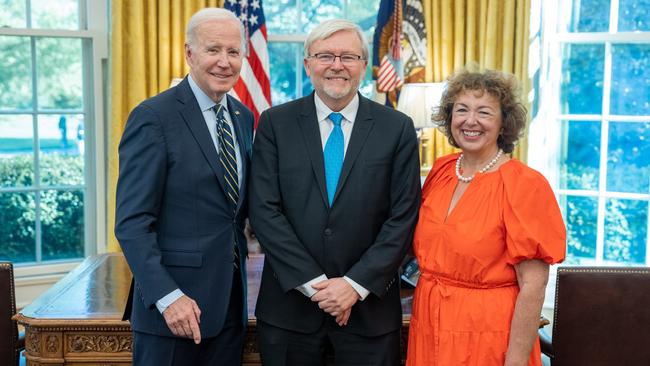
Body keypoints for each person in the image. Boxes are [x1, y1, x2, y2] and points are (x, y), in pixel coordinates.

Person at [249, 19, 421, 366]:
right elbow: (264, 211)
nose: (337, 65)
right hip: (289, 316)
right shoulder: (274, 123)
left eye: (349, 56)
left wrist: (353, 286)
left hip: (369, 316)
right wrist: (317, 287)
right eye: (326, 55)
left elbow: (403, 217)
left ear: (363, 66)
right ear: (307, 64)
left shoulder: (396, 128)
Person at [114, 8, 253, 366]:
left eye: (233, 52)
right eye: (213, 50)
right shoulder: (153, 117)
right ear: (190, 53)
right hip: (172, 313)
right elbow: (131, 222)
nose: (225, 62)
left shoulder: (242, 116)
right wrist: (167, 296)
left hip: (229, 309)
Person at [405, 69, 566, 366]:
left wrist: (515, 360)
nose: (470, 121)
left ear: (504, 122)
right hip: (429, 327)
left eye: (484, 112)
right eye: (461, 110)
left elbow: (533, 285)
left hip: (487, 335)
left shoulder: (524, 184)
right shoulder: (441, 171)